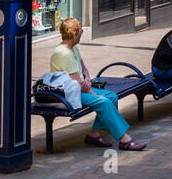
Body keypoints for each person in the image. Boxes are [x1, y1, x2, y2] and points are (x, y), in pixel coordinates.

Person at [51, 18, 147, 150]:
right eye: (80, 32)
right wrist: (95, 95)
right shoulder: (64, 54)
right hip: (67, 93)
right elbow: (77, 83)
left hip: (78, 89)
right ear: (74, 34)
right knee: (104, 102)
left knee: (112, 96)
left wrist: (88, 77)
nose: (81, 34)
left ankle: (94, 135)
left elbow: (83, 68)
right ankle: (125, 140)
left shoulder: (73, 49)